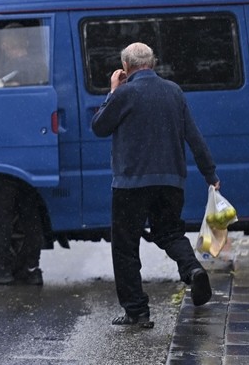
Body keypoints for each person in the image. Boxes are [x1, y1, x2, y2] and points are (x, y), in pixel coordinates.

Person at [90, 42, 219, 327]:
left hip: (130, 184)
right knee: (170, 232)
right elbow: (194, 137)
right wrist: (210, 174)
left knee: (125, 245)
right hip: (171, 181)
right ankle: (192, 269)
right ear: (154, 63)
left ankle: (137, 311)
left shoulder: (124, 93)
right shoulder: (174, 91)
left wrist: (112, 91)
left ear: (125, 67)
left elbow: (99, 126)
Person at [0, 24, 48, 285]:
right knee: (28, 209)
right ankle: (30, 267)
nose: (2, 47)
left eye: (5, 42)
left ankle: (3, 265)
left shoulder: (22, 69)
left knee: (3, 207)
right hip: (31, 146)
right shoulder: (38, 65)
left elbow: (10, 101)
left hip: (12, 149)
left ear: (15, 44)